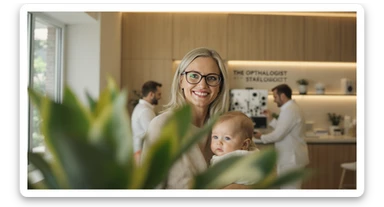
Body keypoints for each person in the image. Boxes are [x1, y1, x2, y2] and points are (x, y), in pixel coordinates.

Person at [140, 47, 231, 189]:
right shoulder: (162, 126)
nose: (202, 85)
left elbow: (259, 173)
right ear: (181, 81)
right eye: (194, 76)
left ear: (220, 86)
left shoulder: (228, 126)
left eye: (212, 78)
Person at [253, 83, 310, 189]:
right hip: (290, 158)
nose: (274, 100)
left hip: (291, 159)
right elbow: (284, 129)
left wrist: (261, 137)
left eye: (275, 97)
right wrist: (270, 118)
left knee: (289, 189)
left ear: (282, 96)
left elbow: (278, 135)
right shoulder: (291, 109)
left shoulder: (290, 110)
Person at [210, 111, 260, 186]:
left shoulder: (231, 160)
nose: (219, 142)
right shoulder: (254, 154)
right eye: (215, 137)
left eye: (227, 138)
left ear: (244, 144)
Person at [131, 80, 162, 164]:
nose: (160, 97)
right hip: (142, 154)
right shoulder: (145, 111)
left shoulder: (141, 107)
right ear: (151, 94)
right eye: (159, 94)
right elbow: (154, 134)